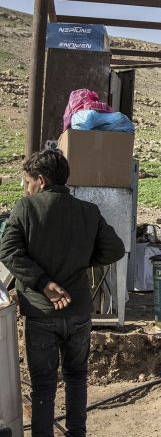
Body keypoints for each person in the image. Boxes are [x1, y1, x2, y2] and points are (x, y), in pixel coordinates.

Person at [0, 148, 124, 437]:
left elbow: (7, 251)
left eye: (27, 182)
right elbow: (114, 249)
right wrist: (81, 262)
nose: (26, 188)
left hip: (42, 313)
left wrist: (44, 283)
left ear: (40, 181)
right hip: (79, 311)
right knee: (77, 377)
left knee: (43, 385)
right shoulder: (88, 211)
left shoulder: (26, 209)